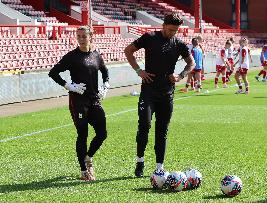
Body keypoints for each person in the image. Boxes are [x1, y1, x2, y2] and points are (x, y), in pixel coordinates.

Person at [124, 13, 195, 177]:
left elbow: (192, 63)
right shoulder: (149, 37)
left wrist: (180, 75)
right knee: (145, 125)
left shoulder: (179, 44)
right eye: (170, 30)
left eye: (175, 31)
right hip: (148, 91)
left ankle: (159, 167)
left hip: (167, 93)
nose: (172, 33)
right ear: (163, 25)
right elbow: (128, 51)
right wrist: (138, 71)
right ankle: (140, 162)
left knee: (162, 130)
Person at [48, 26, 110, 181]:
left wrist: (106, 86)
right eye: (79, 36)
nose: (81, 39)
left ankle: (88, 158)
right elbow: (53, 73)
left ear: (91, 37)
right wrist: (69, 86)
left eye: (84, 36)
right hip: (78, 101)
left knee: (102, 134)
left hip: (94, 99)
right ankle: (83, 170)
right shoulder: (72, 56)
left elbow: (105, 71)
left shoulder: (96, 55)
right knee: (83, 134)